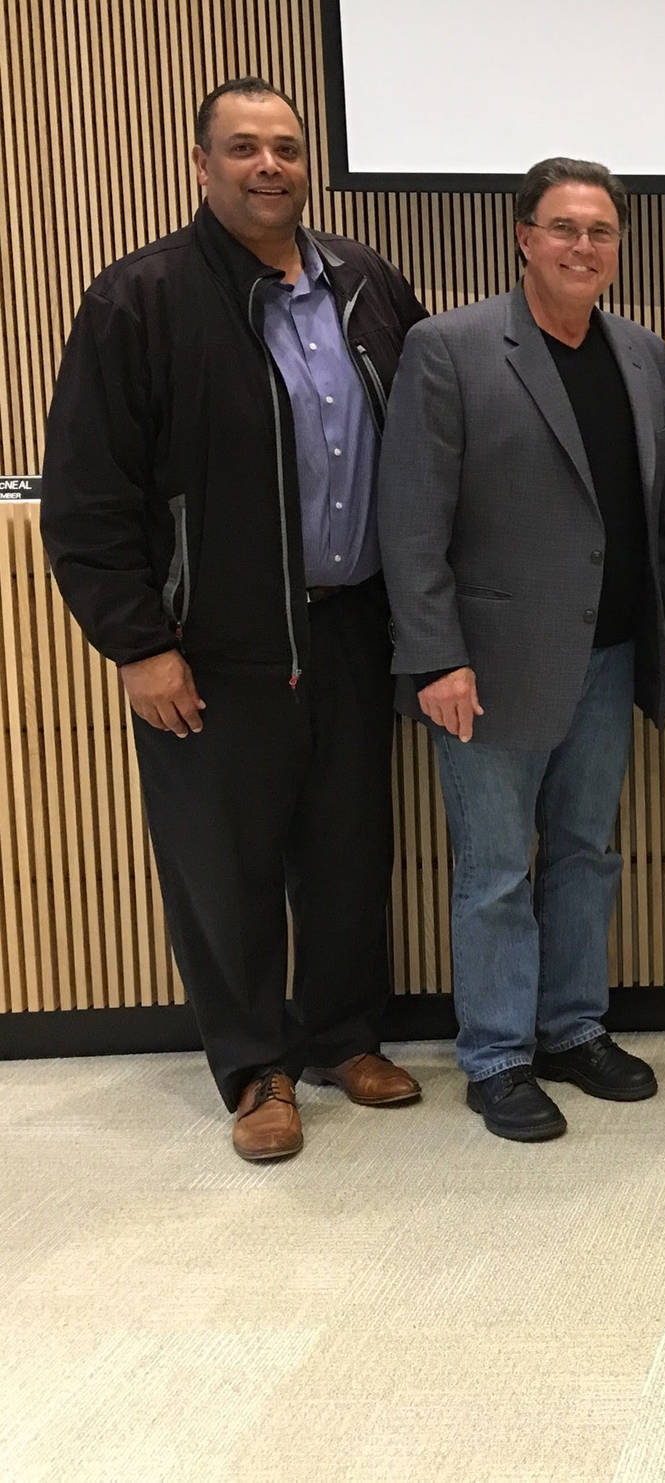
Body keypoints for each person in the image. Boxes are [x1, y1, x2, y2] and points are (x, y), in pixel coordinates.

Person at [40, 78, 427, 1163]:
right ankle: (256, 1068)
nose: (270, 167)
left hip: (355, 628)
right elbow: (85, 496)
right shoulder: (141, 300)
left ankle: (346, 1036)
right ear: (201, 165)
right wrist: (138, 643)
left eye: (288, 149)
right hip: (210, 643)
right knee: (225, 863)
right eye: (244, 149)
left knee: (350, 849)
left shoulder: (367, 286)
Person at [378, 158, 665, 1143]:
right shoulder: (451, 347)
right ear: (522, 235)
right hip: (489, 665)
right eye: (563, 228)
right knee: (493, 868)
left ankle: (571, 1028)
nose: (582, 247)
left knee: (585, 855)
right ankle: (498, 1056)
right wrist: (434, 656)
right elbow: (412, 518)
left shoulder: (643, 354)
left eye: (599, 231)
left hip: (607, 656)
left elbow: (664, 512)